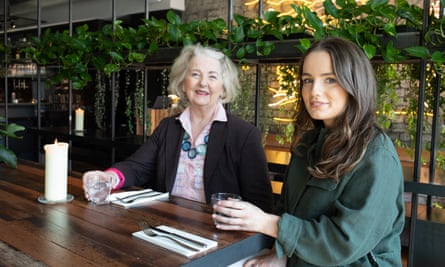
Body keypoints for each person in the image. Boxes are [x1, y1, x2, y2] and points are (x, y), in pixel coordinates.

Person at [212, 37, 405, 266]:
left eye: (330, 80)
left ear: (355, 83)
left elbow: (342, 243)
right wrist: (279, 255)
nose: (315, 91)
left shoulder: (376, 155)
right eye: (307, 80)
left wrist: (266, 223)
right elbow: (288, 210)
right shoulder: (307, 144)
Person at [82, 44, 273, 212]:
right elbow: (137, 167)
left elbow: (261, 204)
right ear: (183, 83)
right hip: (168, 227)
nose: (203, 83)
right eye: (195, 74)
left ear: (223, 88)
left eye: (212, 76)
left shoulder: (244, 134)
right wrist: (108, 178)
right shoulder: (168, 127)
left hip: (219, 235)